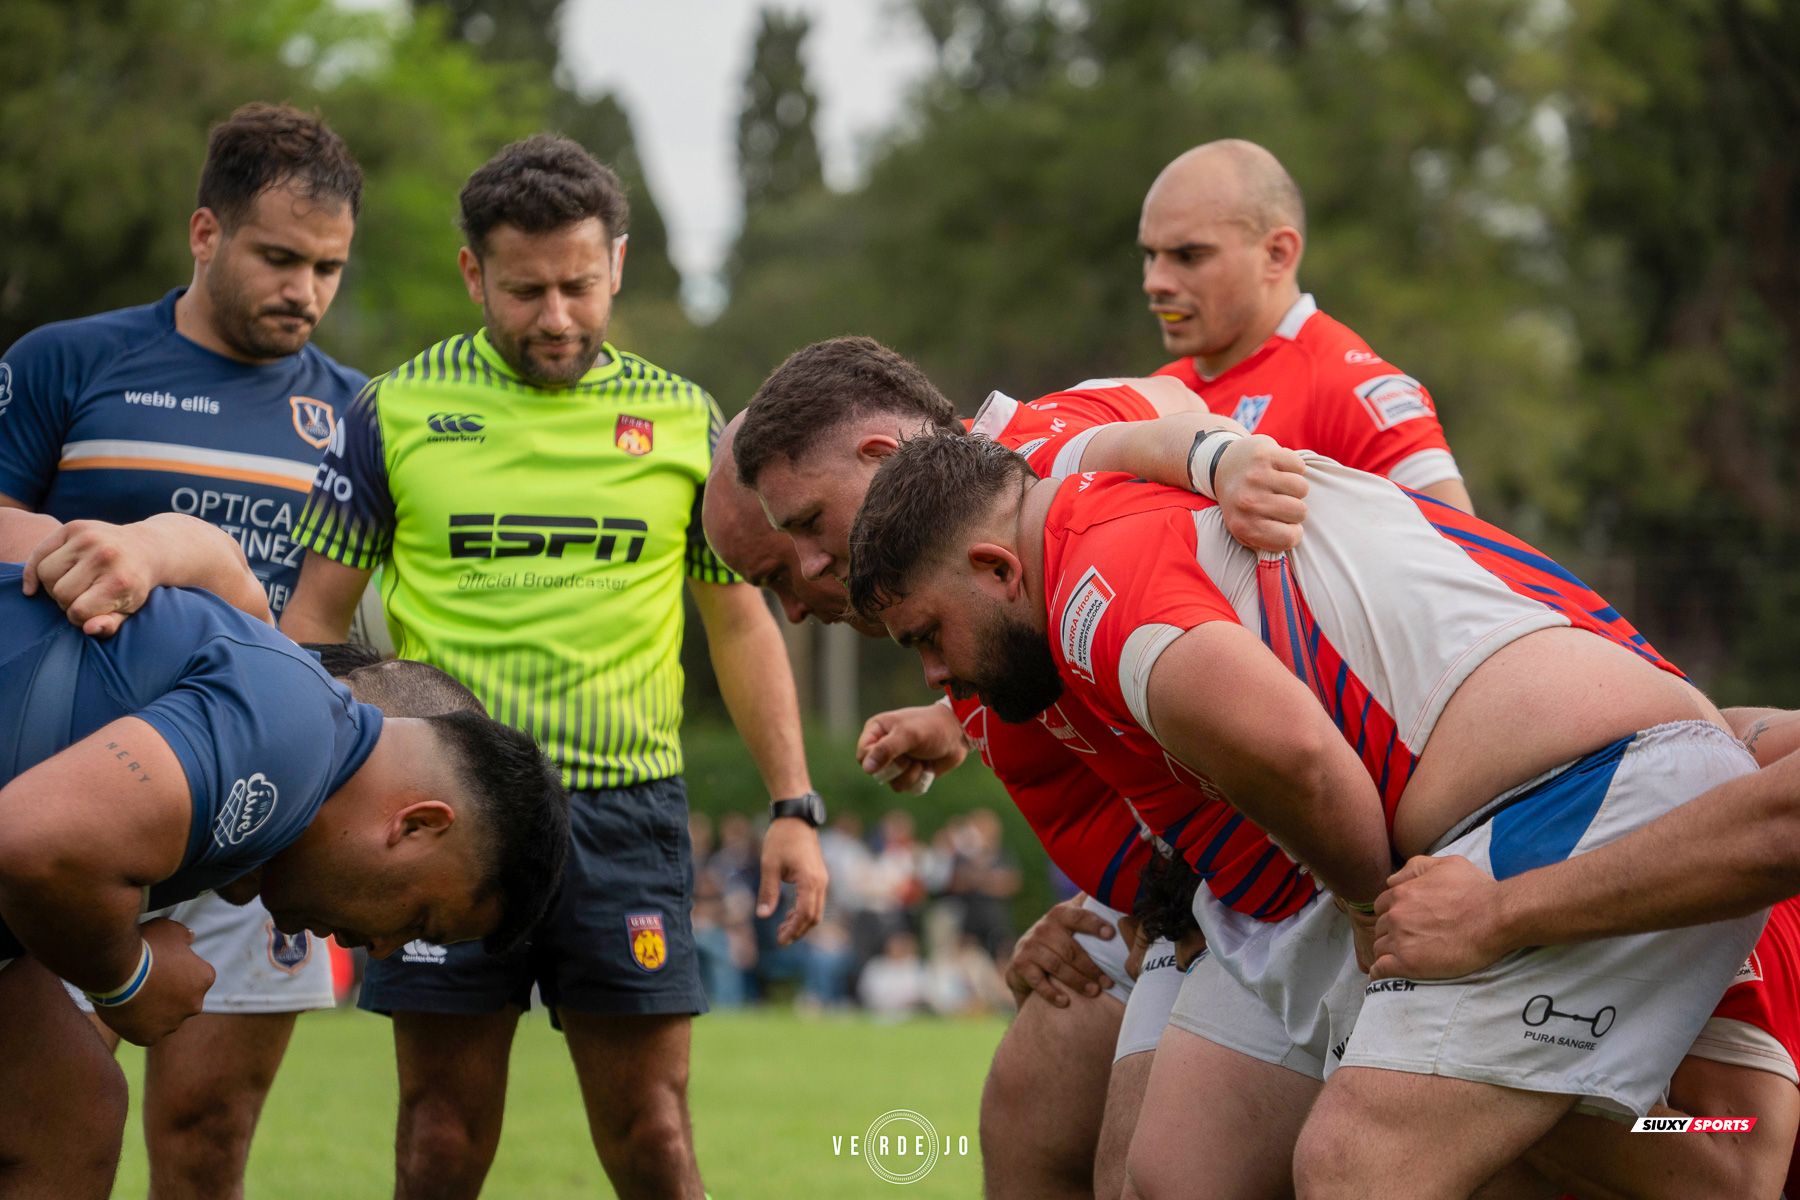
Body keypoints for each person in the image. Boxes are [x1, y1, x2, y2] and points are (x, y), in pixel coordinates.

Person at [845, 429, 1759, 1200]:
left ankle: (1542, 1104)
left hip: (1586, 819)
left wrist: (1372, 908)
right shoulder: (1073, 511)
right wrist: (1212, 454)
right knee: (1180, 1172)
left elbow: (1299, 760)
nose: (932, 671)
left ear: (996, 568)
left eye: (927, 637)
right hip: (1441, 851)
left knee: (1385, 1162)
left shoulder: (1100, 601)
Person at [277, 134, 825, 1200]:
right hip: (440, 812)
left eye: (580, 285)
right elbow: (312, 628)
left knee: (654, 1135)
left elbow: (741, 623)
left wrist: (793, 805)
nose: (558, 316)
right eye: (526, 290)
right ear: (473, 273)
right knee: (440, 1140)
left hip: (622, 812)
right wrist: (306, 818)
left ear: (617, 262)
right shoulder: (390, 411)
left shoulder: (685, 418)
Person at [0, 102, 368, 1197]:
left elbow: (347, 615)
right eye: (279, 258)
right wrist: (116, 560)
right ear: (205, 233)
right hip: (79, 792)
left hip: (260, 795)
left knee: (210, 1133)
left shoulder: (357, 415)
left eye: (329, 267)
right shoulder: (68, 362)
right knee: (57, 1108)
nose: (305, 290)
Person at [0, 509, 570, 1200]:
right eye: (418, 921)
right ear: (417, 824)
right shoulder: (297, 734)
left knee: (70, 1111)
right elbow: (34, 846)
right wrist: (128, 978)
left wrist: (154, 545)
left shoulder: (286, 714)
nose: (381, 949)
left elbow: (224, 568)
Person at [1142, 139, 1475, 512]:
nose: (1155, 282)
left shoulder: (1349, 390)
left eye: (1188, 256)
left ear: (1277, 255)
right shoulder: (1156, 393)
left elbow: (1460, 544)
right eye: (1150, 255)